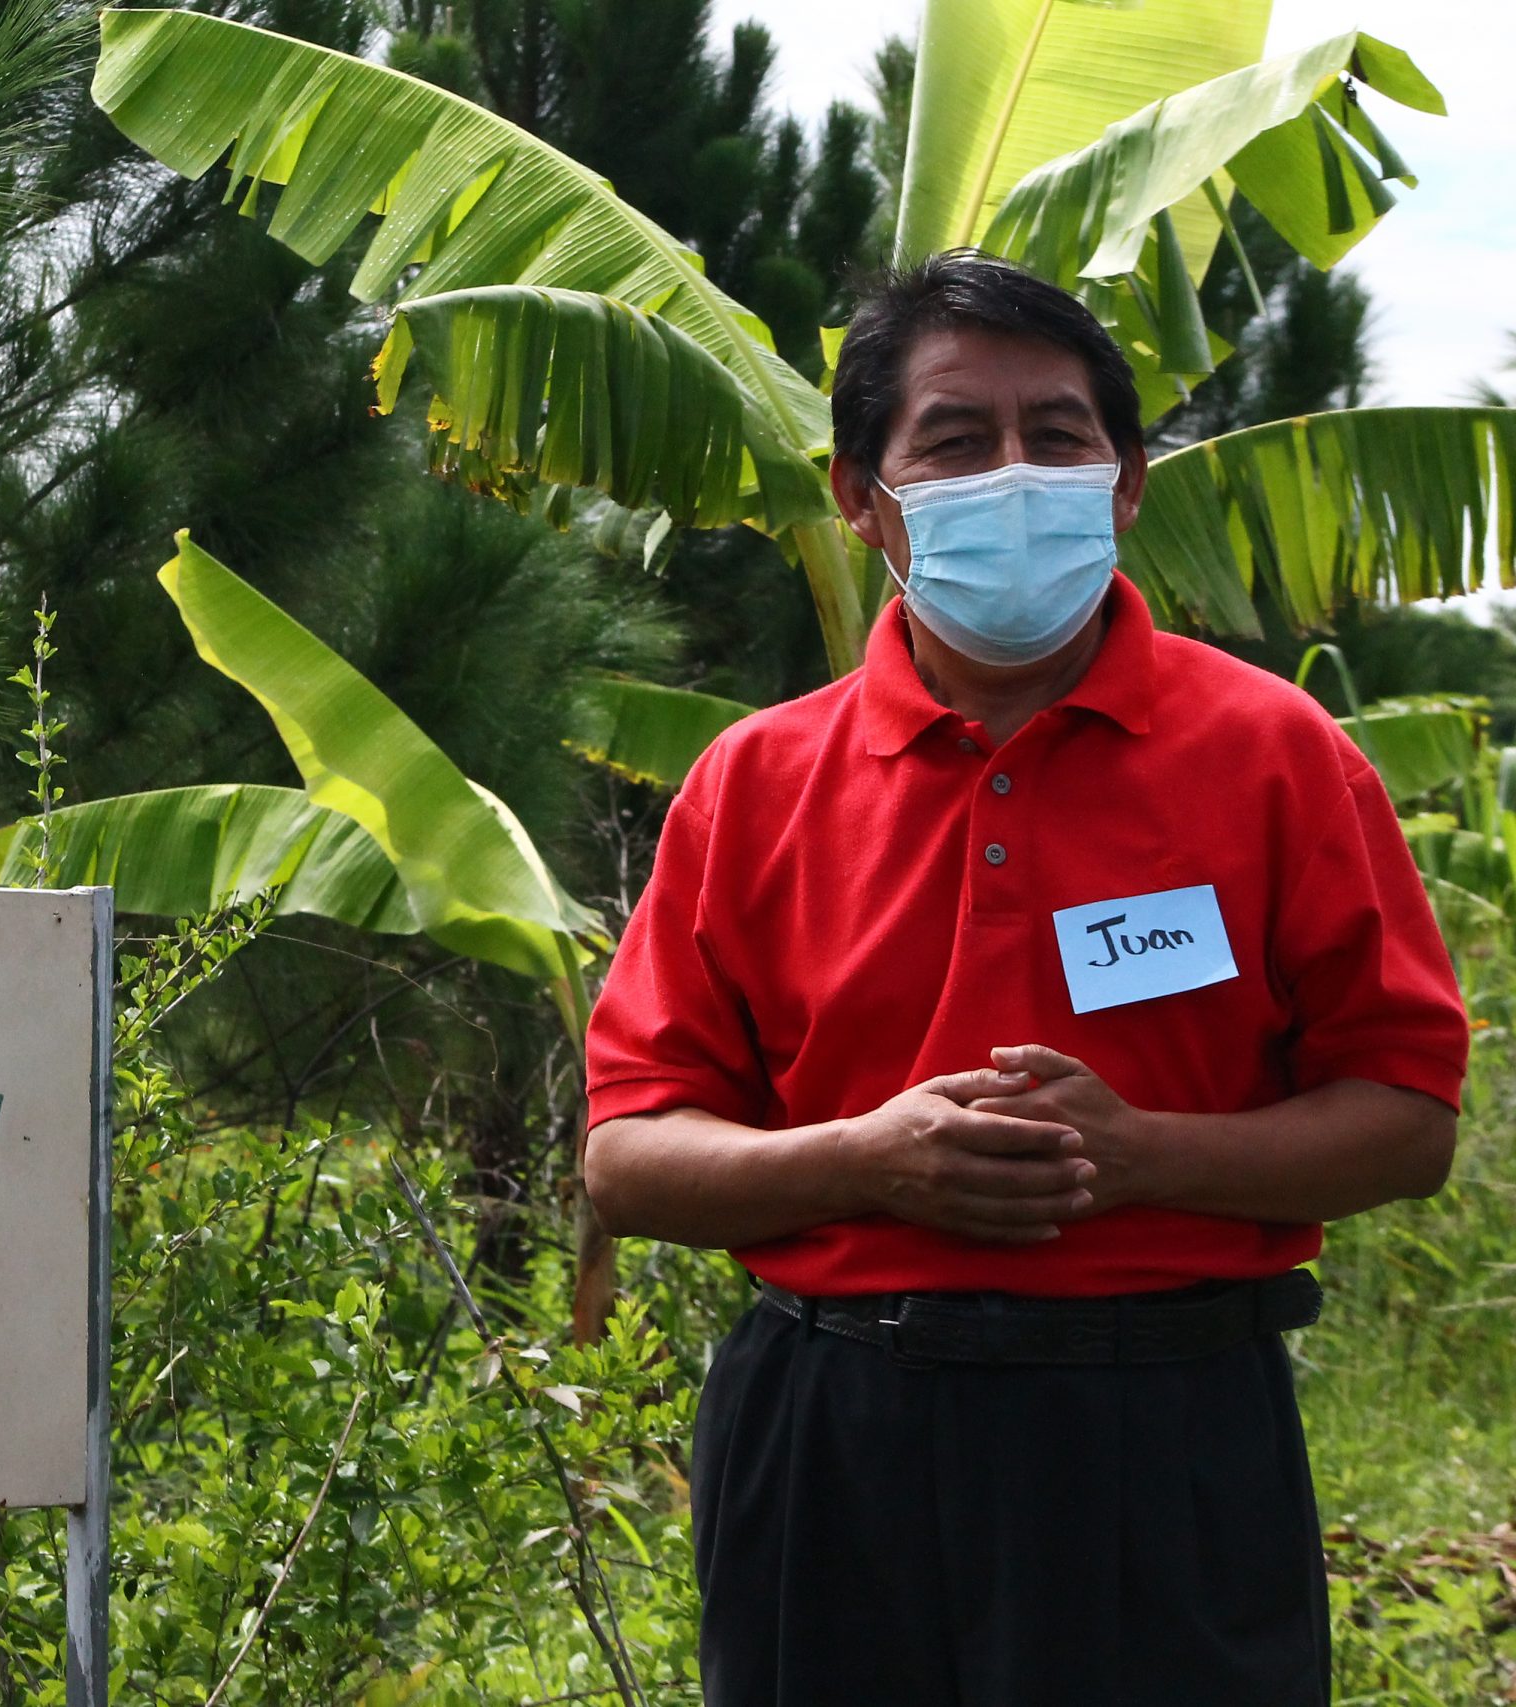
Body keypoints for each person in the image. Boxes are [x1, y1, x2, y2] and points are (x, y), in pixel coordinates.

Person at [580, 250, 1468, 1707]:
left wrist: (1138, 1157)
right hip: (834, 1442)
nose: (1013, 473)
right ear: (863, 497)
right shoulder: (756, 783)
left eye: (1058, 436)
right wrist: (868, 1160)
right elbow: (628, 1158)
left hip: (1166, 1435)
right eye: (953, 440)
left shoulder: (1276, 756)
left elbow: (1410, 1120)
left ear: (1125, 484)